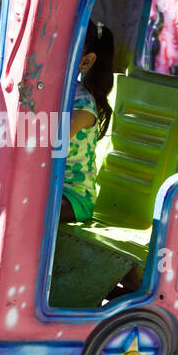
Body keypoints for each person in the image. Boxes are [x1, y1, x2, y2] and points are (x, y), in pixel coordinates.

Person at [60, 21, 114, 223]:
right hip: (46, 191)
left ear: (85, 62)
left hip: (73, 197)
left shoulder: (82, 105)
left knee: (27, 209)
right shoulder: (46, 93)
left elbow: (48, 141)